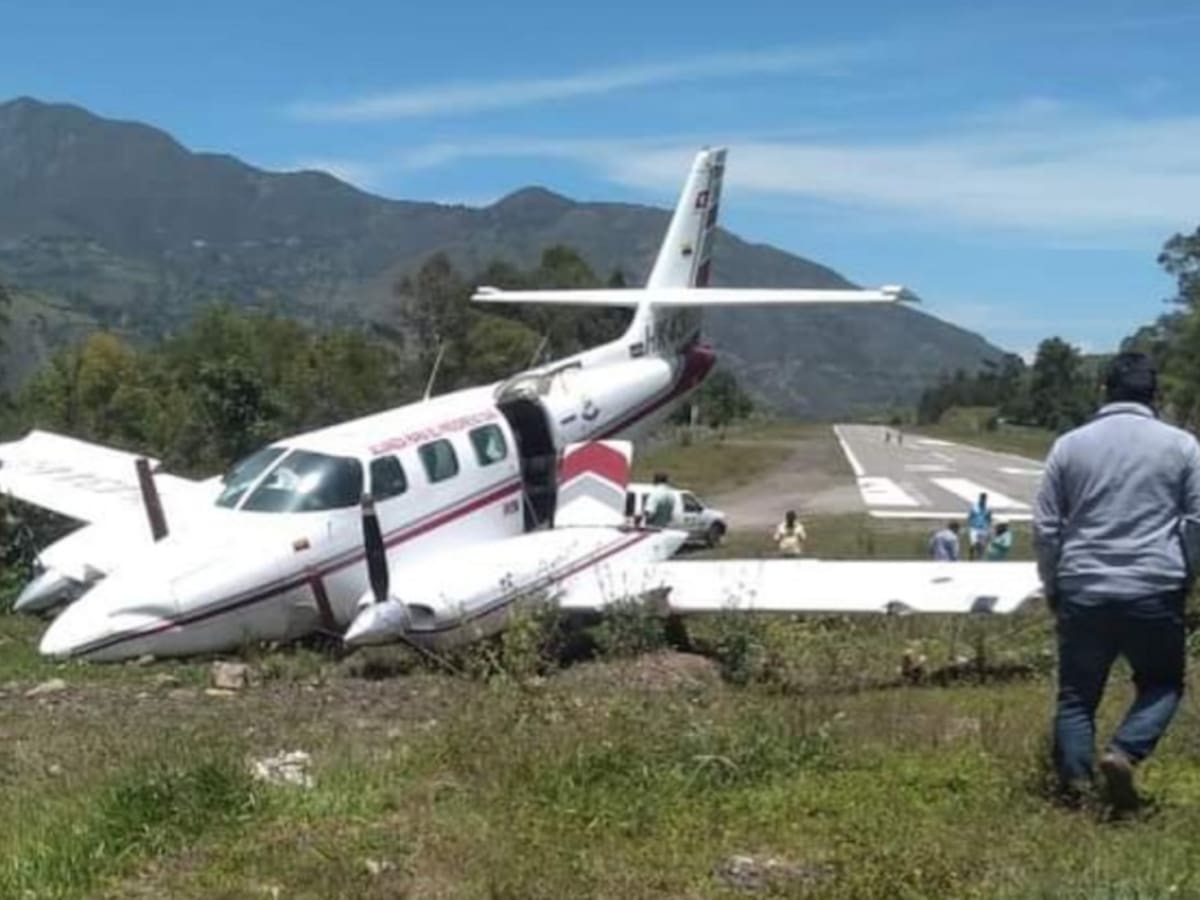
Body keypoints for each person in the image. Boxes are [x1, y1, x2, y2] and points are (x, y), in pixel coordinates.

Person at [1035, 352, 1200, 811]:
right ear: (1156, 395)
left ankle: (1076, 795)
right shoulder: (1182, 446)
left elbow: (1046, 526)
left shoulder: (1069, 446)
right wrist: (1187, 574)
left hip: (1083, 585)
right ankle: (1125, 751)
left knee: (1076, 697)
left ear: (1105, 391)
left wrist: (1053, 582)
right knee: (1163, 684)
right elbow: (1196, 521)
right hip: (1153, 585)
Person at [967, 492, 992, 560]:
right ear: (980, 498)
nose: (983, 500)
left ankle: (980, 559)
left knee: (981, 546)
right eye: (982, 498)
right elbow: (970, 517)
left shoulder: (988, 508)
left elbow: (989, 519)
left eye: (984, 499)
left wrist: (989, 529)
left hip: (983, 529)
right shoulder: (974, 507)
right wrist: (970, 526)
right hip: (974, 528)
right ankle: (970, 558)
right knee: (973, 544)